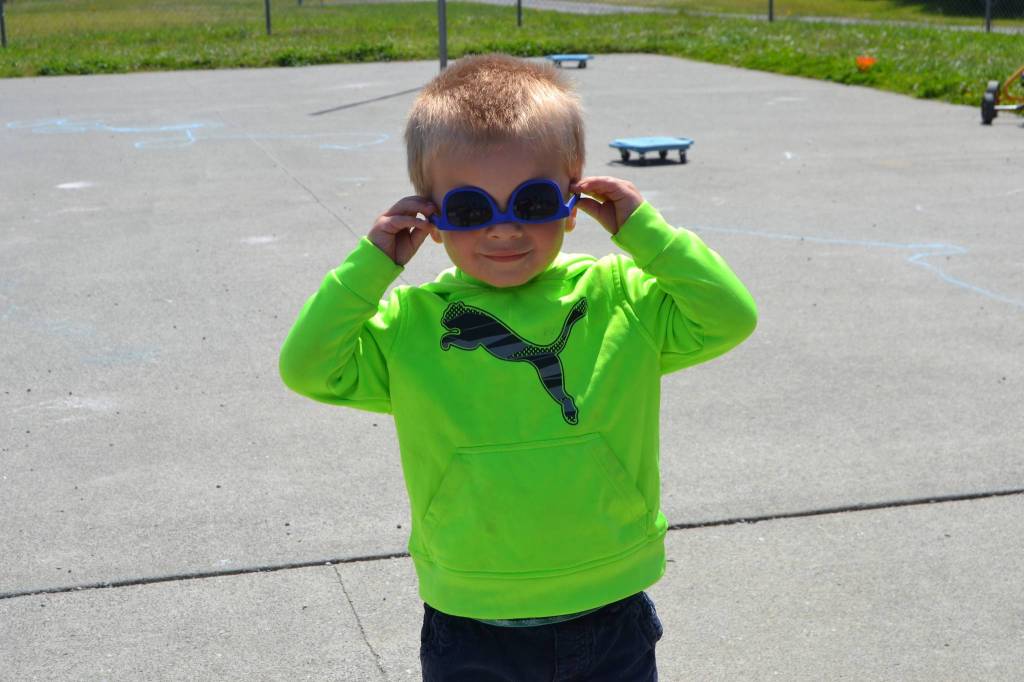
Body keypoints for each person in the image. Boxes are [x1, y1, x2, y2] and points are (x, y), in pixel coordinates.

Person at [279, 53, 757, 681]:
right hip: (473, 620)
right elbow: (309, 366)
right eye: (473, 210)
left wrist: (646, 233)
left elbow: (729, 315)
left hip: (607, 609)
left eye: (531, 202)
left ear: (571, 199)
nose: (504, 230)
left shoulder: (621, 297)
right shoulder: (413, 323)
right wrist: (373, 265)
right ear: (433, 218)